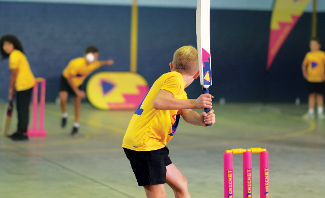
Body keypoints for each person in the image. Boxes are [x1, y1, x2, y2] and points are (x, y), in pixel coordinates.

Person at [122, 46, 215, 198]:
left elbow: (186, 113)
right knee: (158, 194)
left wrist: (202, 119)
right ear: (198, 74)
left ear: (171, 65)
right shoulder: (174, 79)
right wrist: (194, 103)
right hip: (145, 144)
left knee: (181, 183)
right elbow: (159, 102)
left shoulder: (177, 88)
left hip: (154, 145)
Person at [59, 46, 114, 136]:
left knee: (77, 103)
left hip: (78, 83)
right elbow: (69, 79)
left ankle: (76, 125)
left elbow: (100, 63)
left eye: (96, 57)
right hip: (66, 80)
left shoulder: (94, 64)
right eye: (93, 57)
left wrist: (107, 62)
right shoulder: (76, 64)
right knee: (63, 99)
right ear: (86, 55)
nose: (95, 59)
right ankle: (64, 115)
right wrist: (77, 91)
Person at [0, 35, 35, 141]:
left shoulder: (14, 55)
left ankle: (23, 133)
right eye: (4, 45)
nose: (6, 47)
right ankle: (20, 131)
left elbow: (14, 74)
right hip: (23, 84)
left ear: (13, 44)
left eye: (8, 44)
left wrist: (11, 89)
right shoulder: (17, 54)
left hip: (25, 84)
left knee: (23, 108)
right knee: (20, 108)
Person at [302, 38, 325, 120]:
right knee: (311, 95)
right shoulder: (308, 55)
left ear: (319, 46)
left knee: (319, 95)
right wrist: (305, 74)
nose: (313, 46)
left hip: (320, 80)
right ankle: (310, 112)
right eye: (311, 45)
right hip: (311, 79)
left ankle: (320, 113)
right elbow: (304, 65)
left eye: (315, 45)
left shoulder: (322, 54)